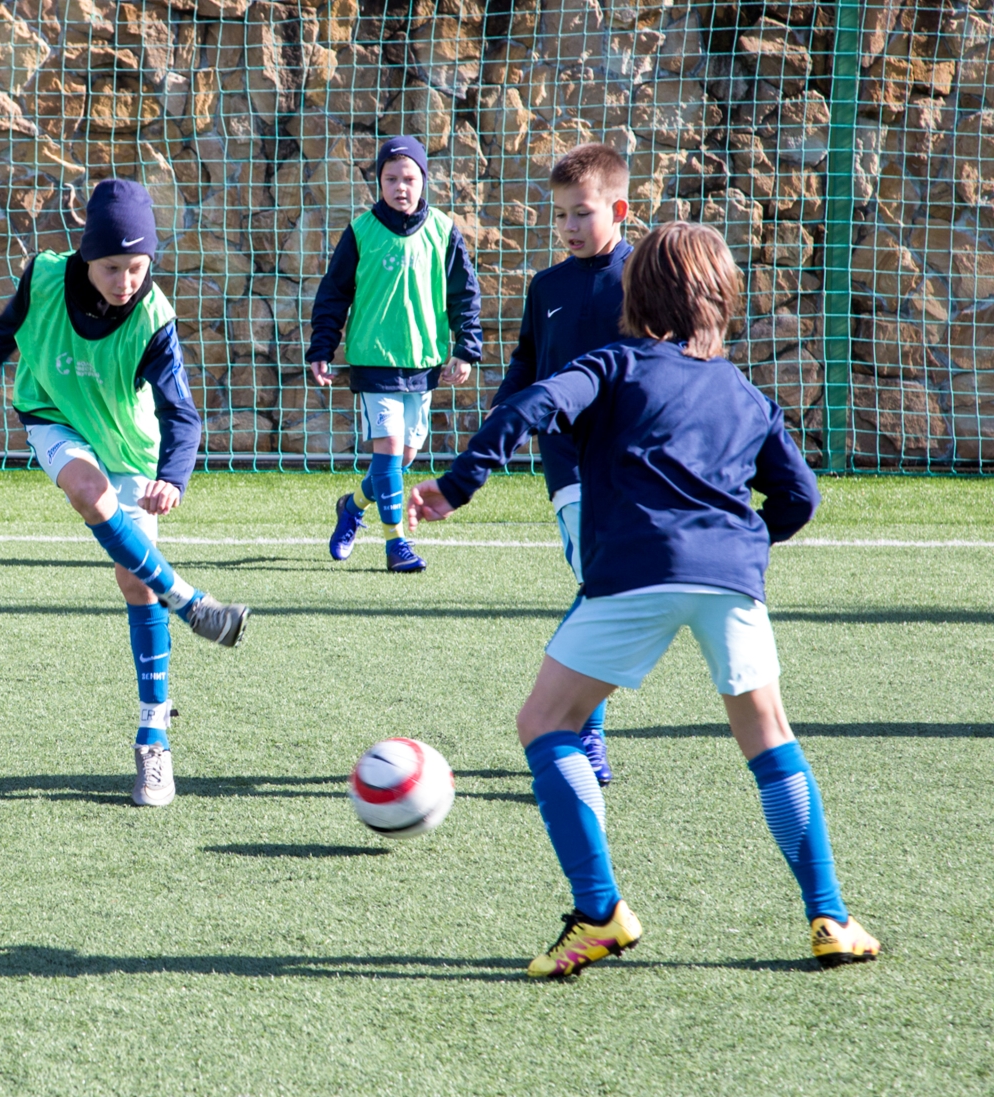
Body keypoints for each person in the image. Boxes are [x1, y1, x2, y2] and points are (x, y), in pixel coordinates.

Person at [407, 221, 880, 977]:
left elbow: (529, 406)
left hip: (636, 568)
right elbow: (800, 498)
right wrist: (739, 543)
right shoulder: (746, 393)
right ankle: (831, 918)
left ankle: (600, 912)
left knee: (544, 722)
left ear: (636, 295)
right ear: (720, 298)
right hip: (731, 581)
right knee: (768, 738)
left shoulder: (614, 363)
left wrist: (458, 484)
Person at [0, 178, 249, 809]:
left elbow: (182, 414)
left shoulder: (154, 320)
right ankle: (192, 603)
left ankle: (154, 739)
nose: (126, 280)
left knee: (136, 584)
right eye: (112, 267)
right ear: (86, 256)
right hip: (52, 414)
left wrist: (172, 478)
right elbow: (12, 327)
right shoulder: (44, 276)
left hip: (130, 447)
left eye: (138, 267)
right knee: (86, 489)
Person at [491, 143, 635, 786]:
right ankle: (586, 730)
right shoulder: (546, 286)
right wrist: (503, 415)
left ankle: (580, 722)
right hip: (569, 466)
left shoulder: (644, 280)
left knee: (610, 592)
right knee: (595, 587)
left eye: (582, 213)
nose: (569, 226)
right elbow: (528, 359)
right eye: (560, 216)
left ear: (618, 210)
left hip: (632, 464)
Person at [307, 136, 483, 573]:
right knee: (386, 450)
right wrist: (323, 345)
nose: (400, 187)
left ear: (423, 180)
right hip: (374, 360)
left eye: (409, 178)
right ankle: (396, 544)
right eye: (391, 179)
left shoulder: (443, 230)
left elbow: (464, 294)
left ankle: (352, 506)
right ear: (379, 182)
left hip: (423, 361)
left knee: (400, 459)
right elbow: (334, 294)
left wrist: (466, 348)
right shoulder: (361, 232)